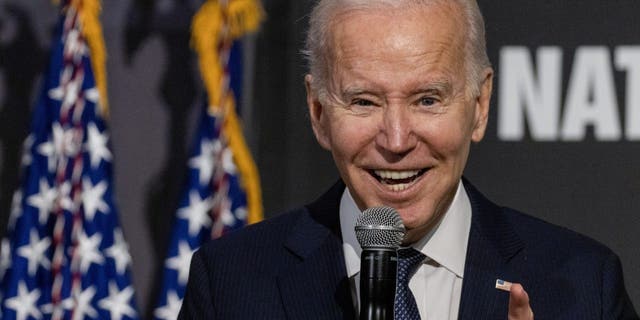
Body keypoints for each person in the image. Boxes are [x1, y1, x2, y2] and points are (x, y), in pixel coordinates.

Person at [178, 0, 638, 319]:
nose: (396, 140)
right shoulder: (231, 285)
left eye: (427, 100)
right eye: (363, 102)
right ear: (318, 113)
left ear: (479, 106)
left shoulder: (582, 286)